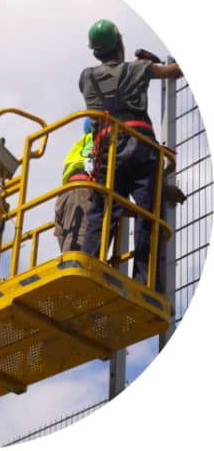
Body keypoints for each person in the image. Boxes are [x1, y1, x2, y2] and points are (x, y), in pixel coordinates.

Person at [79, 19, 183, 286]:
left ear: (96, 52)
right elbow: (174, 71)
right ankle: (144, 280)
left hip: (107, 151)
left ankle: (87, 269)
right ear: (120, 45)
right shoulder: (139, 70)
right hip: (140, 147)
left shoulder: (86, 77)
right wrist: (147, 65)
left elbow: (110, 82)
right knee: (148, 211)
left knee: (102, 212)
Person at [54, 118, 93, 252]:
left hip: (66, 195)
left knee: (66, 236)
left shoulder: (79, 145)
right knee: (77, 241)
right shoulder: (94, 140)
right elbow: (91, 160)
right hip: (81, 192)